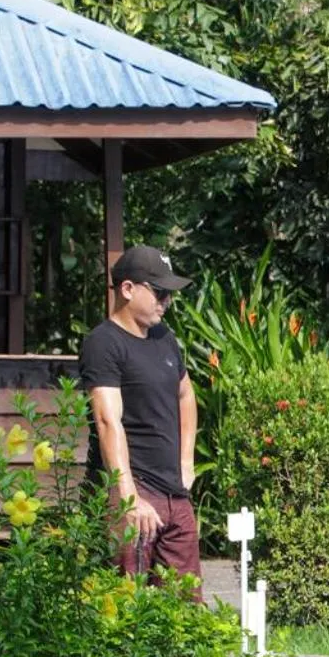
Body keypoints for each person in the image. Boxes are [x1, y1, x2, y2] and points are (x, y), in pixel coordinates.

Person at [78, 244, 201, 593]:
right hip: (131, 491)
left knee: (185, 603)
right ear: (128, 289)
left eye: (169, 294)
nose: (167, 302)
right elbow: (107, 421)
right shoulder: (104, 343)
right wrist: (128, 496)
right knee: (123, 604)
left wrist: (186, 462)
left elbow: (186, 395)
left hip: (174, 494)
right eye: (159, 292)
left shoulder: (165, 338)